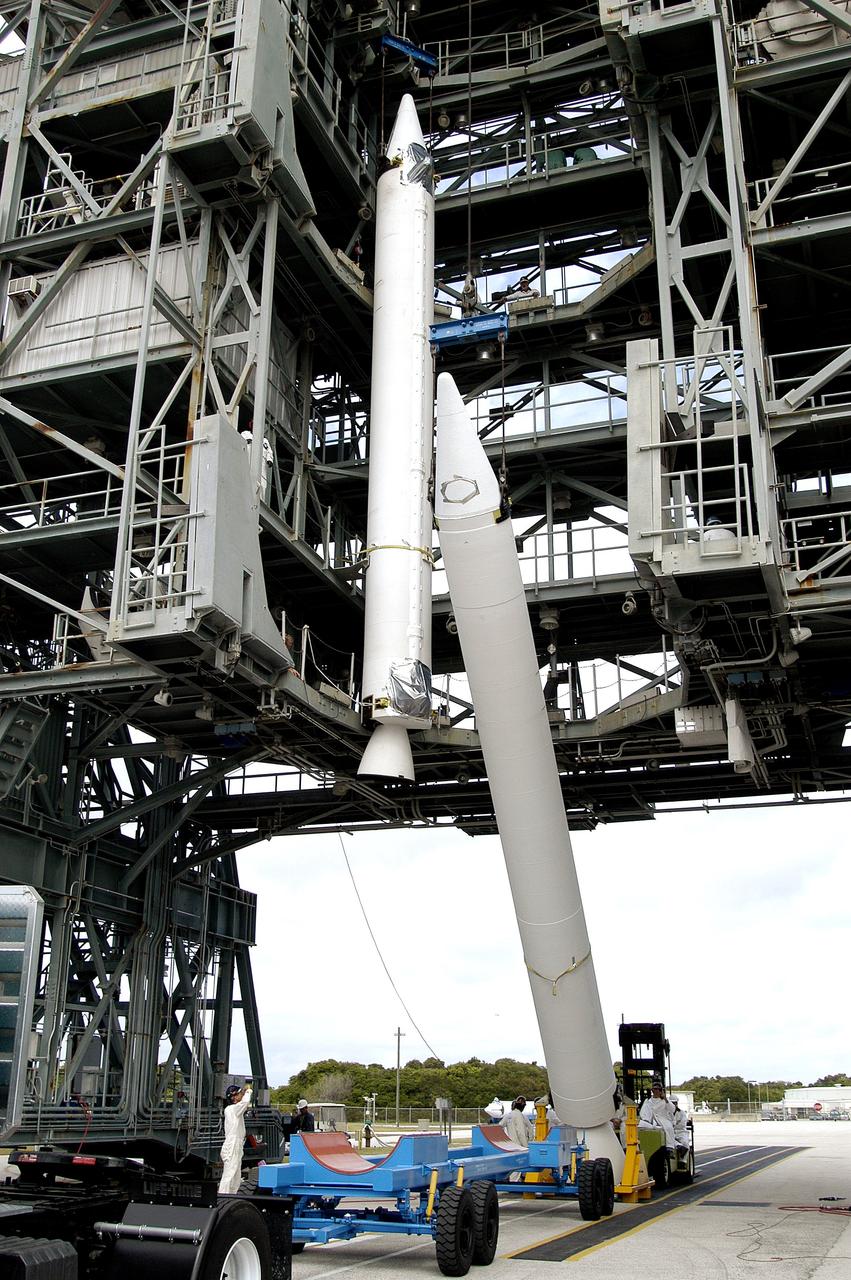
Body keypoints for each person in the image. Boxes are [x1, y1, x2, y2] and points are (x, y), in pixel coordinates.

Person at [218, 1081, 253, 1194]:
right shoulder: (232, 1109)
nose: (241, 1095)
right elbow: (245, 1102)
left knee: (236, 1176)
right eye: (239, 1094)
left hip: (237, 1144)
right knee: (229, 1174)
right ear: (234, 1097)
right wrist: (248, 1090)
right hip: (232, 1144)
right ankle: (222, 1198)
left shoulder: (234, 1110)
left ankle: (231, 1198)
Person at [638, 1078, 676, 1153]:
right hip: (651, 1122)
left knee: (668, 1127)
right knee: (638, 1124)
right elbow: (643, 1113)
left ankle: (670, 1147)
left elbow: (672, 1109)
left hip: (663, 1121)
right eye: (654, 1089)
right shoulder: (648, 1101)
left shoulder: (664, 1101)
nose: (656, 1091)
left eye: (658, 1089)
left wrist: (665, 1098)